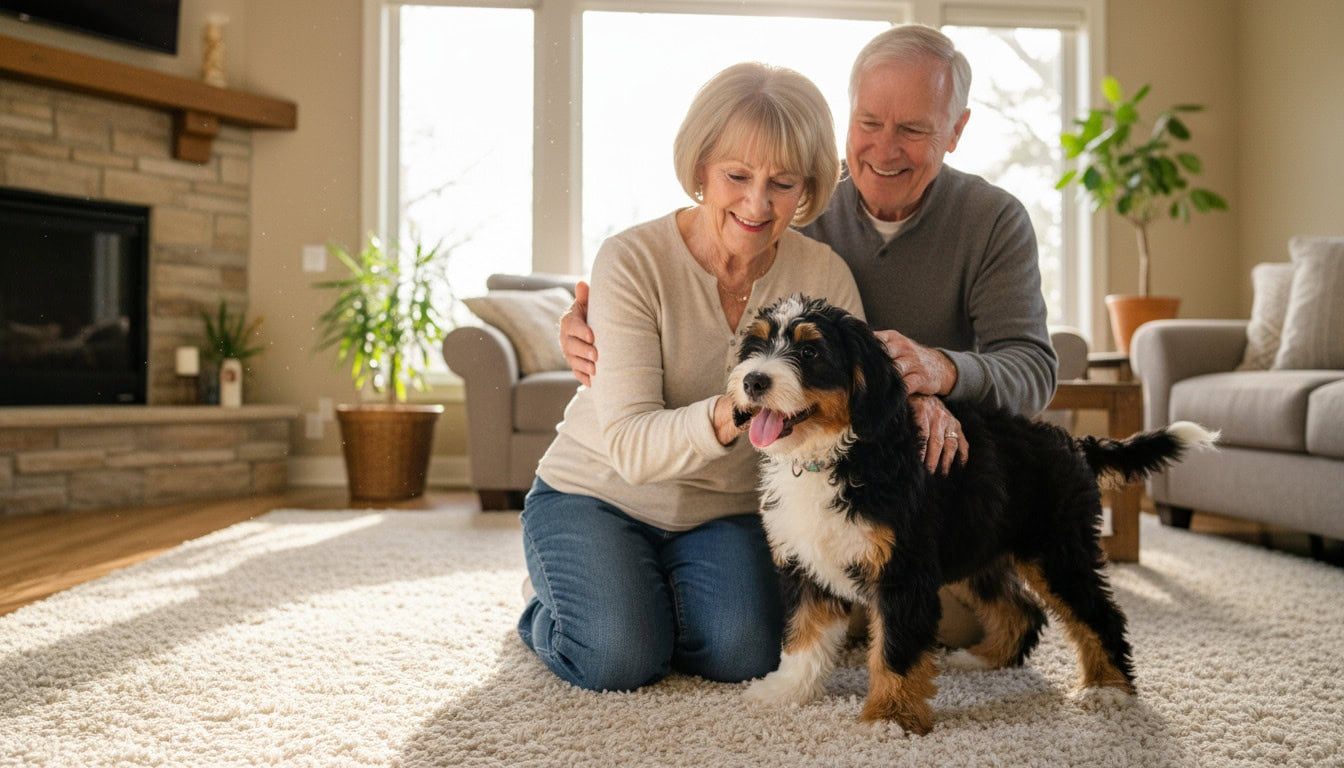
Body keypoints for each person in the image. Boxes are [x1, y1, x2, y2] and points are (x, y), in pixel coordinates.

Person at [560, 25, 1059, 649]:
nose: (884, 149)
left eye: (913, 129)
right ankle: (591, 589)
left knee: (924, 622)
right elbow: (691, 245)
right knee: (628, 645)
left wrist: (940, 377)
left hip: (901, 483)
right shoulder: (794, 201)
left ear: (956, 130)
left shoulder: (986, 221)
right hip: (709, 481)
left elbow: (1030, 368)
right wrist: (589, 323)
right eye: (869, 122)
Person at [518, 62, 865, 692]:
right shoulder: (632, 259)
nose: (757, 204)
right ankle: (550, 605)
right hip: (596, 494)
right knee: (619, 657)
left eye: (782, 183)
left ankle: (639, 599)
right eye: (737, 176)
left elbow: (848, 413)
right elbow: (630, 447)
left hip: (722, 512)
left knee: (745, 655)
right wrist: (734, 410)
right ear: (702, 167)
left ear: (808, 188)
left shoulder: (825, 275)